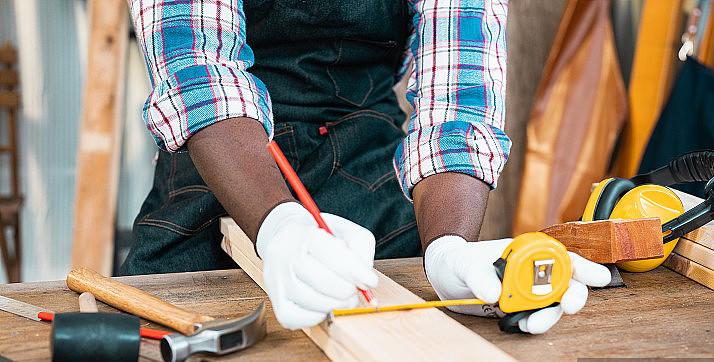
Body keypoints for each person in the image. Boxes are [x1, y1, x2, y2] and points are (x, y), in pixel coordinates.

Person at [124, 0, 610, 333]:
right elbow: (198, 73)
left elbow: (457, 97)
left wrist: (445, 246)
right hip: (219, 164)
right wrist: (279, 226)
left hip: (365, 159)